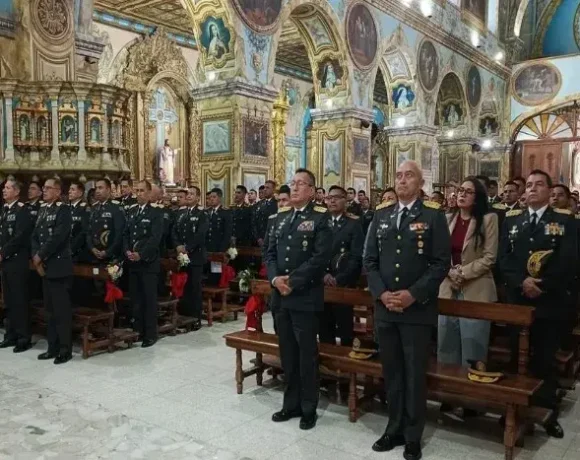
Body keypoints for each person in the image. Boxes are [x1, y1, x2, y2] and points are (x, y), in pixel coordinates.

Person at [364, 161, 450, 460]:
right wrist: (382, 293)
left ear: (420, 182)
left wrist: (413, 294)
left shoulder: (433, 215)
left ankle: (413, 435)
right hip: (386, 308)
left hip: (416, 310)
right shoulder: (381, 214)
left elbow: (441, 263)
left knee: (414, 374)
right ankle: (393, 428)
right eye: (398, 176)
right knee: (392, 372)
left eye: (408, 176)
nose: (402, 180)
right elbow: (369, 260)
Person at [499, 169, 577, 439]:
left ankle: (547, 413)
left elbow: (568, 261)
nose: (532, 188)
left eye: (539, 184)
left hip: (549, 301)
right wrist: (522, 282)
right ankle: (515, 409)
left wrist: (540, 285)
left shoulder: (565, 221)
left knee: (545, 359)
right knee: (516, 357)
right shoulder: (512, 220)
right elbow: (504, 259)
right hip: (518, 301)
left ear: (549, 190)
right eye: (529, 185)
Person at [265, 168, 332, 431]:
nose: (294, 187)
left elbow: (320, 258)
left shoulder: (320, 218)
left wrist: (291, 282)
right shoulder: (280, 218)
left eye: (300, 184)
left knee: (306, 355)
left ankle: (308, 407)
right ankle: (290, 403)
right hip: (280, 297)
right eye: (292, 183)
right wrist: (275, 279)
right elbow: (269, 253)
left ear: (312, 191)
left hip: (304, 296)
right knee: (288, 353)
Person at [438, 177, 498, 414]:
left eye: (468, 191)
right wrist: (450, 272)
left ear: (478, 196)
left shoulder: (488, 219)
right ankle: (448, 394)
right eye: (460, 190)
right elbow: (439, 253)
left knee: (473, 346)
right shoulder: (447, 218)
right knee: (447, 343)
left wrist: (462, 272)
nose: (461, 194)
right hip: (448, 287)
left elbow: (489, 257)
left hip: (476, 289)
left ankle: (472, 400)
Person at [32, 178, 74, 365]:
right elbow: (35, 236)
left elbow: (58, 237)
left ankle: (65, 349)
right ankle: (52, 347)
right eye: (44, 188)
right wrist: (36, 257)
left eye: (49, 188)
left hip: (58, 266)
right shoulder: (43, 209)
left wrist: (40, 255)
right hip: (45, 267)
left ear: (58, 191)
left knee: (61, 311)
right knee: (49, 311)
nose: (45, 190)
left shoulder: (63, 210)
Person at [319, 185, 364, 348]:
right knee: (324, 328)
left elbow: (356, 257)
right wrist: (323, 275)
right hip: (322, 283)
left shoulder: (353, 224)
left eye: (336, 198)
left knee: (345, 330)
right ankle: (327, 361)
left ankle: (344, 362)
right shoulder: (320, 222)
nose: (332, 201)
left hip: (344, 285)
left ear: (345, 201)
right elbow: (314, 253)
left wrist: (339, 279)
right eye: (329, 198)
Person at [123, 181, 163, 348]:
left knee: (149, 299)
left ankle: (150, 334)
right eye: (137, 190)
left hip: (148, 263)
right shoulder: (132, 211)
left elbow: (155, 238)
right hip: (133, 262)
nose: (138, 193)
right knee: (136, 299)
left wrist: (142, 254)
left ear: (148, 193)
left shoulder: (156, 212)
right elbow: (126, 234)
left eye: (141, 191)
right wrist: (127, 251)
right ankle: (138, 330)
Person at [0, 180, 34, 352]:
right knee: (9, 300)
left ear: (16, 191)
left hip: (17, 261)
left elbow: (20, 236)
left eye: (7, 188)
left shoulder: (22, 210)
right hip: (5, 262)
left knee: (19, 300)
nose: (4, 190)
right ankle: (10, 334)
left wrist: (3, 252)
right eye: (4, 188)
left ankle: (23, 337)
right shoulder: (4, 210)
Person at [173, 187, 208, 330]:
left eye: (192, 194)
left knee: (194, 288)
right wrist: (178, 245)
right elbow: (174, 231)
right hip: (182, 256)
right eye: (187, 194)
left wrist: (187, 247)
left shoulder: (202, 214)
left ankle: (195, 318)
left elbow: (200, 235)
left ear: (198, 198)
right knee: (184, 287)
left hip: (195, 256)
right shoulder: (181, 214)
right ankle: (185, 316)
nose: (188, 196)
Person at [262, 184, 291, 334]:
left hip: (292, 277)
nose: (281, 204)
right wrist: (272, 275)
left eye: (285, 200)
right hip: (276, 276)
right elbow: (267, 248)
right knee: (277, 314)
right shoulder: (273, 219)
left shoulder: (299, 220)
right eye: (279, 200)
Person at [87, 178, 126, 264]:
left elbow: (119, 234)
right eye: (96, 188)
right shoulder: (94, 208)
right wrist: (92, 248)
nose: (97, 191)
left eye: (100, 188)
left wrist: (108, 252)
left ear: (108, 190)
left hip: (111, 257)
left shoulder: (116, 208)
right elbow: (89, 232)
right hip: (94, 256)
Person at [205, 188, 232, 284]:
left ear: (219, 198)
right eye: (210, 197)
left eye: (214, 197)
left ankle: (215, 289)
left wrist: (222, 249)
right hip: (207, 247)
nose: (211, 199)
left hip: (218, 247)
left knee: (216, 272)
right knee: (207, 271)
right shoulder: (206, 212)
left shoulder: (225, 212)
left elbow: (227, 233)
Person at [253, 180, 277, 246]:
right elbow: (254, 222)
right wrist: (258, 238)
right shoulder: (258, 204)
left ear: (273, 190)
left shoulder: (277, 204)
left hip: (272, 240)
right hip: (259, 240)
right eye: (264, 187)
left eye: (268, 188)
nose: (265, 190)